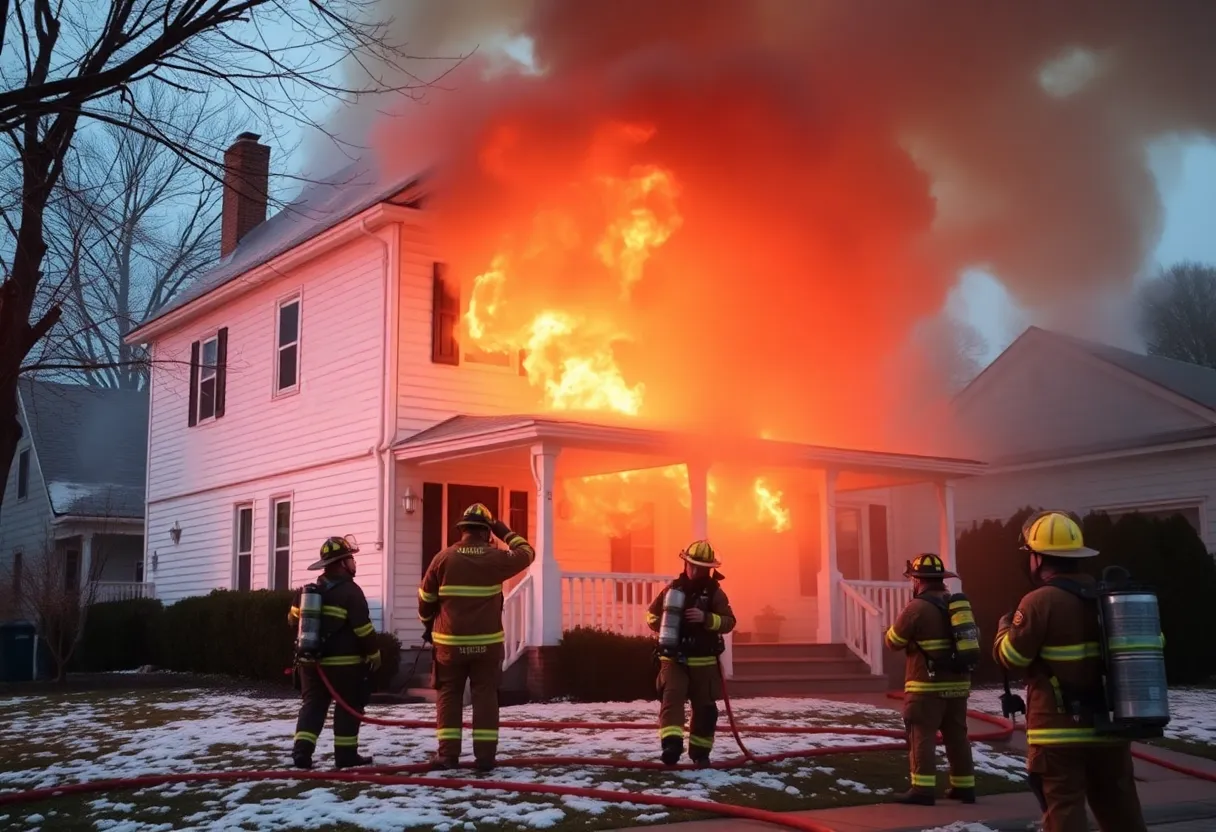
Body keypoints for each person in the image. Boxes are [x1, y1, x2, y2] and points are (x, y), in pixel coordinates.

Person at [993, 510, 1147, 832]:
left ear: (1037, 558)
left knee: (1064, 811)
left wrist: (1003, 628)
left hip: (1058, 733)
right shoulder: (1111, 598)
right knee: (1121, 811)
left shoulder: (1039, 601)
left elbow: (1012, 657)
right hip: (1111, 727)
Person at [418, 503, 535, 772]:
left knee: (449, 695)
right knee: (485, 696)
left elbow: (426, 599)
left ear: (462, 530)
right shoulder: (495, 558)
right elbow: (527, 552)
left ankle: (447, 756)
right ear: (486, 532)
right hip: (487, 645)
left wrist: (428, 624)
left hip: (449, 646)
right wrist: (504, 531)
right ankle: (484, 759)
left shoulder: (443, 558)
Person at [884, 553, 976, 805]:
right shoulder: (954, 604)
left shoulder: (916, 608)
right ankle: (964, 787)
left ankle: (922, 790)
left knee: (921, 734)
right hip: (958, 685)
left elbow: (893, 641)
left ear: (917, 580)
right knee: (957, 735)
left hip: (926, 687)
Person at [287, 535, 381, 770]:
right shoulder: (351, 592)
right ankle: (346, 755)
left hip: (310, 663)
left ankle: (302, 753)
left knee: (313, 705)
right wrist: (374, 653)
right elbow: (363, 629)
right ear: (342, 563)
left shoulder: (308, 592)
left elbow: (291, 620)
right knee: (348, 707)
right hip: (344, 666)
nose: (354, 564)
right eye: (351, 559)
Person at [645, 539, 736, 768]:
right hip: (674, 659)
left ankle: (700, 753)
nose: (695, 571)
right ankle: (671, 746)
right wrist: (666, 624)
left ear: (710, 569)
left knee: (705, 709)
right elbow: (651, 616)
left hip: (704, 661)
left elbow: (729, 622)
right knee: (672, 699)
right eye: (692, 565)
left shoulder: (715, 593)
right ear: (685, 563)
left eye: (701, 568)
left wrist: (705, 618)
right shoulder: (672, 590)